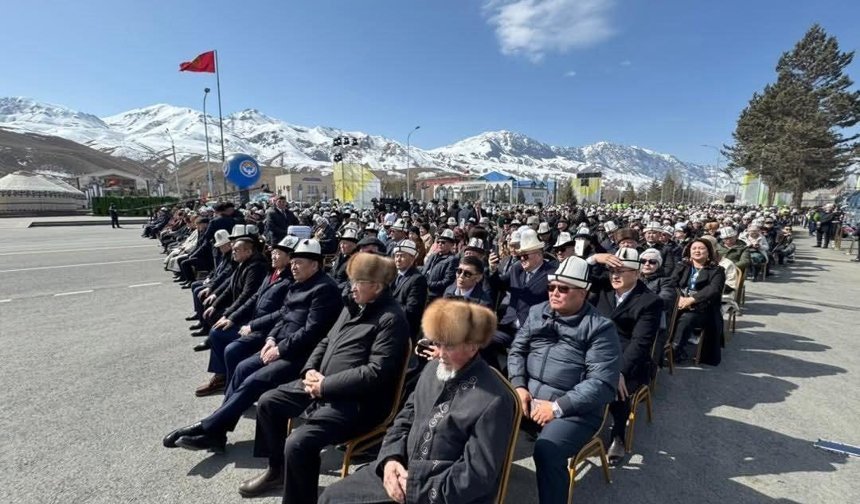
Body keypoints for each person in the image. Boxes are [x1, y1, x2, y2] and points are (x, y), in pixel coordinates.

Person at [240, 252, 410, 503]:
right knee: (268, 402)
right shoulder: (353, 306)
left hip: (356, 402)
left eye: (357, 282)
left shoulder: (391, 319)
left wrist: (325, 385)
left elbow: (376, 372)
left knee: (298, 443)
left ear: (377, 286)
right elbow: (326, 340)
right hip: (319, 383)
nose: (351, 287)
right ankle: (278, 471)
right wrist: (309, 370)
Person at [318, 299, 516, 504]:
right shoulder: (432, 369)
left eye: (446, 345)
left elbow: (477, 475)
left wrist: (413, 488)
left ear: (473, 346)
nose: (437, 352)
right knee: (331, 497)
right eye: (435, 342)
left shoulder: (494, 400)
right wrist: (390, 459)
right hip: (401, 469)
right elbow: (405, 418)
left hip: (442, 493)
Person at [163, 239, 342, 452]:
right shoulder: (298, 283)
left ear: (315, 265)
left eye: (299, 262)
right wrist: (271, 339)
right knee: (242, 368)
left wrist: (279, 348)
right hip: (279, 345)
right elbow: (284, 315)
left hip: (301, 355)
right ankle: (217, 432)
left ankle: (209, 427)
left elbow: (312, 332)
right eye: (292, 262)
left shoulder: (324, 289)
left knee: (254, 380)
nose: (293, 266)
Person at [508, 256, 621, 504]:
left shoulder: (600, 328)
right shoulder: (538, 312)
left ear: (584, 293)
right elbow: (516, 350)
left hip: (575, 410)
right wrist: (518, 385)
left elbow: (601, 383)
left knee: (547, 450)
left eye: (563, 288)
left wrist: (557, 408)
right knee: (477, 417)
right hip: (527, 397)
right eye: (551, 287)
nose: (554, 293)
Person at [588, 248, 662, 463]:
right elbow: (577, 273)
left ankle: (618, 434)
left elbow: (640, 344)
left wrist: (618, 370)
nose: (615, 275)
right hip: (594, 350)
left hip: (627, 358)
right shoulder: (603, 288)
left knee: (618, 384)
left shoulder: (649, 301)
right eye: (612, 270)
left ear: (638, 274)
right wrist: (595, 258)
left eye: (622, 271)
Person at [670, 238, 726, 365]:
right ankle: (660, 346)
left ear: (708, 252)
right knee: (664, 313)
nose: (697, 251)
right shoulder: (683, 266)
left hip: (703, 307)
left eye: (701, 248)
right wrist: (680, 298)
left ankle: (675, 351)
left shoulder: (717, 270)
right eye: (694, 248)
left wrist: (691, 300)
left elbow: (713, 289)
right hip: (679, 301)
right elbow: (672, 283)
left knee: (686, 319)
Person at [390, 239, 429, 342]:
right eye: (396, 255)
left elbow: (411, 311)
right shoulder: (392, 274)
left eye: (402, 256)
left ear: (412, 259)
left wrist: (386, 307)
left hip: (403, 330)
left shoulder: (417, 279)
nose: (398, 259)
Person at [422, 229, 459, 301]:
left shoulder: (452, 259)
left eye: (443, 242)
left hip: (436, 296)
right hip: (423, 292)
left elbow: (447, 281)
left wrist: (429, 284)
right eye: (438, 242)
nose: (439, 244)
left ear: (451, 245)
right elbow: (424, 270)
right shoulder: (433, 256)